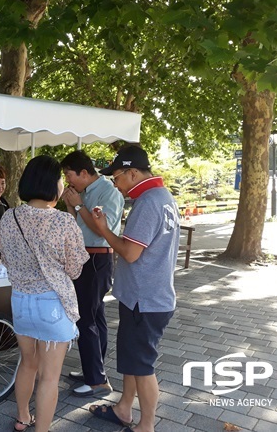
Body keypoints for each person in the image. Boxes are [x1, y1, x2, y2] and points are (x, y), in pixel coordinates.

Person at [88, 145, 179, 432]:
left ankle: (146, 425)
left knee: (142, 366)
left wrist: (103, 230)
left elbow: (129, 253)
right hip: (146, 297)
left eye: (117, 176)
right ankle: (124, 409)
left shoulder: (149, 202)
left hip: (145, 300)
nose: (115, 183)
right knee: (132, 359)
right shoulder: (163, 197)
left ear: (133, 172)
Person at [0, 155, 89, 432]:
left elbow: (4, 257)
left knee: (27, 364)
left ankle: (23, 417)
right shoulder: (62, 221)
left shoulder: (8, 216)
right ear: (53, 184)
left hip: (20, 299)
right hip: (52, 304)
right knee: (50, 377)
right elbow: (74, 270)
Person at [60, 150, 124, 397]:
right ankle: (93, 370)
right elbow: (78, 225)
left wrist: (77, 204)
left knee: (86, 317)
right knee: (94, 316)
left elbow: (100, 229)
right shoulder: (85, 193)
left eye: (69, 175)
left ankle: (97, 380)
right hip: (86, 256)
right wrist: (72, 206)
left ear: (84, 173)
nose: (68, 180)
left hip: (97, 257)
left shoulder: (108, 192)